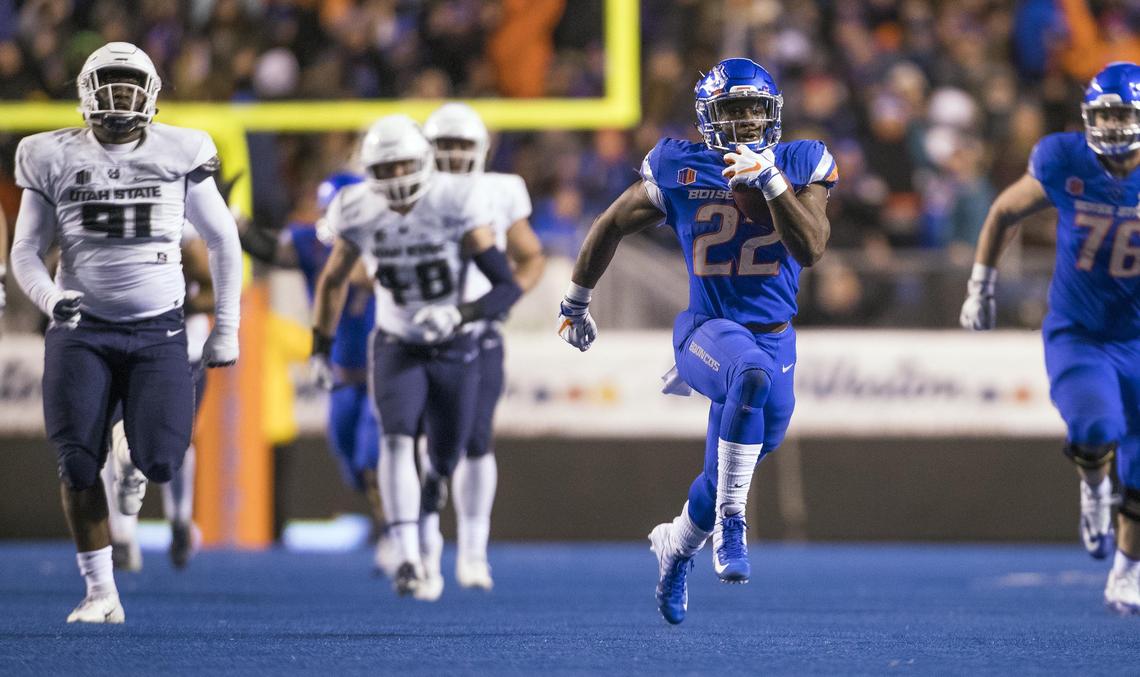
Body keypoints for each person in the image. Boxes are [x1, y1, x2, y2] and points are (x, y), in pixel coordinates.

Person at [557, 58, 836, 624]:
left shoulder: (801, 162)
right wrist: (576, 301)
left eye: (756, 107)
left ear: (773, 111)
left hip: (775, 337)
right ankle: (734, 525)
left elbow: (810, 248)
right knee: (748, 378)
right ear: (711, 117)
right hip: (707, 331)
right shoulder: (679, 167)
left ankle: (678, 544)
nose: (747, 120)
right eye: (733, 109)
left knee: (733, 460)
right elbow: (611, 222)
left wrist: (771, 180)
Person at [8, 42, 242, 623]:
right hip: (80, 330)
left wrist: (226, 326)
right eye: (107, 84)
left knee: (162, 460)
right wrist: (49, 297)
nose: (118, 97)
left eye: (129, 84)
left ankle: (132, 457)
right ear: (85, 92)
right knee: (76, 463)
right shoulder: (48, 154)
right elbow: (26, 251)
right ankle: (100, 592)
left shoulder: (182, 149)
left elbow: (223, 240)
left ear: (152, 93)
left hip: (157, 330)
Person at [311, 114, 521, 600]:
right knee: (396, 436)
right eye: (384, 169)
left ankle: (433, 497)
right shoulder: (357, 208)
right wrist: (319, 347)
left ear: (424, 162)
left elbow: (505, 284)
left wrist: (460, 314)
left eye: (404, 165)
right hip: (396, 339)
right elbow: (333, 280)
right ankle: (407, 553)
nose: (396, 179)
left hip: (453, 344)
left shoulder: (455, 198)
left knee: (444, 456)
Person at [960, 62, 1140, 615]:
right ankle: (1093, 487)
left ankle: (1127, 571)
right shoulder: (1065, 160)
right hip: (1080, 331)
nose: (1111, 125)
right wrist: (980, 285)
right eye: (1103, 113)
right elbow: (1003, 211)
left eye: (1121, 113)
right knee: (1095, 427)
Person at [409, 102, 545, 593]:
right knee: (421, 443)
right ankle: (424, 550)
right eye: (442, 144)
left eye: (461, 145)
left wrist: (503, 296)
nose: (451, 154)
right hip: (418, 332)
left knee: (477, 439)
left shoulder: (500, 190)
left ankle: (471, 549)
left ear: (482, 151)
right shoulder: (408, 191)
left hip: (476, 332)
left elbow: (530, 256)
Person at [238, 173, 388, 557]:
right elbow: (270, 250)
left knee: (374, 457)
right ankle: (391, 515)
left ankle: (394, 531)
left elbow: (369, 277)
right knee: (351, 461)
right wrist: (233, 220)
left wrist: (356, 256)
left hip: (383, 368)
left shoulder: (383, 239)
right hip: (340, 371)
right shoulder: (312, 243)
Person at [100, 223, 215, 571]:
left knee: (173, 443)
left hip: (180, 347)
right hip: (119, 343)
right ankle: (121, 537)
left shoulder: (176, 224)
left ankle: (180, 521)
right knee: (115, 438)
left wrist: (169, 308)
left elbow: (213, 289)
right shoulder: (100, 214)